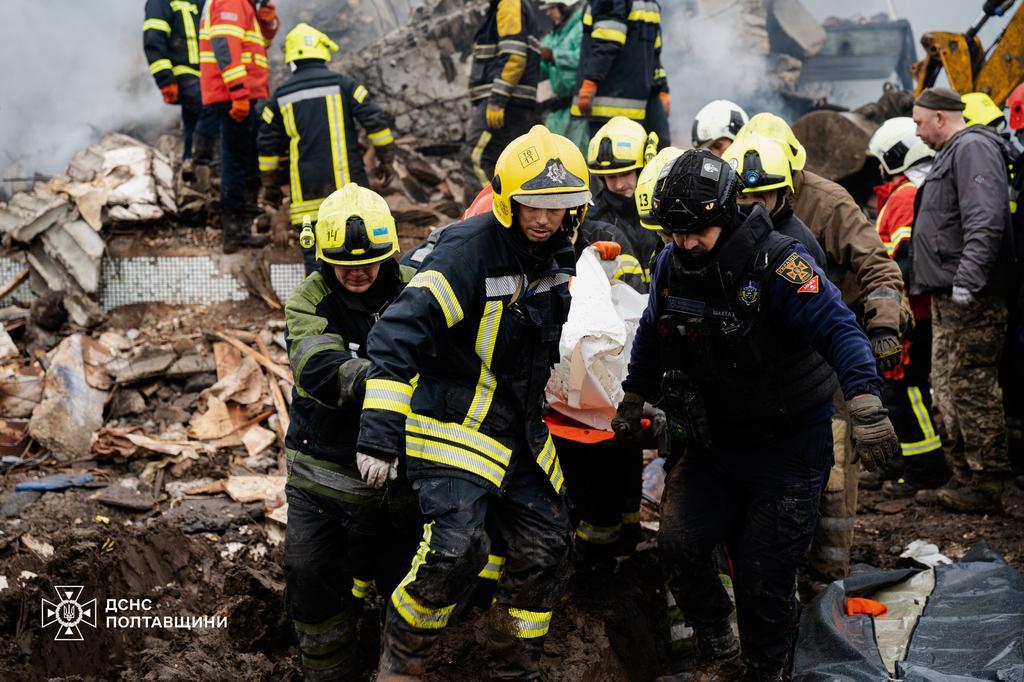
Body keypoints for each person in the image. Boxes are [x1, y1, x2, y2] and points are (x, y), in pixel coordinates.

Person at [613, 149, 896, 680]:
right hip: (714, 444)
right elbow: (653, 330)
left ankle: (768, 669)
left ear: (725, 215)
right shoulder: (670, 263)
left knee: (764, 576)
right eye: (674, 233)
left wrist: (863, 399)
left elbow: (839, 328)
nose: (686, 243)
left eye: (696, 232)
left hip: (787, 445)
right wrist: (634, 395)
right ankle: (717, 636)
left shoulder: (779, 263)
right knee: (678, 546)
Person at [355, 125, 590, 679]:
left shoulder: (559, 254)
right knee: (457, 550)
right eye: (532, 205)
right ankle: (402, 664)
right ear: (508, 200)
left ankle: (511, 667)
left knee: (547, 547)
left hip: (520, 435)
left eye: (556, 208)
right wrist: (378, 436)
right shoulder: (467, 254)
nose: (543, 219)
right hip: (455, 424)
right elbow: (393, 336)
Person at [737, 112, 907, 584]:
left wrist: (884, 327)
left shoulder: (828, 203)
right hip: (766, 359)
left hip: (827, 351)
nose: (755, 203)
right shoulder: (732, 201)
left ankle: (827, 579)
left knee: (832, 475)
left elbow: (878, 265)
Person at [282, 183, 420, 680]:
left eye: (370, 261)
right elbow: (318, 368)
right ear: (322, 257)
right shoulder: (308, 300)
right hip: (323, 476)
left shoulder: (417, 287)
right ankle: (329, 671)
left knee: (407, 585)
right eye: (344, 263)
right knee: (310, 575)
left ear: (391, 253)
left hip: (400, 482)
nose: (357, 272)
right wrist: (392, 377)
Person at [911, 87, 1014, 513]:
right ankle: (965, 477)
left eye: (919, 122)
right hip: (953, 294)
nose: (915, 132)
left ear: (940, 117)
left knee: (970, 385)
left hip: (972, 297)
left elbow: (985, 218)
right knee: (949, 385)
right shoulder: (955, 152)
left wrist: (968, 281)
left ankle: (986, 482)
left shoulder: (971, 148)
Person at [257, 23, 397, 274]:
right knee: (362, 251)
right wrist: (386, 159)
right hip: (349, 192)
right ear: (323, 53)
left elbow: (267, 144)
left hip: (306, 197)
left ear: (292, 60)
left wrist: (270, 185)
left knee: (316, 261)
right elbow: (375, 120)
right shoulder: (344, 84)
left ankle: (318, 310)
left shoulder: (280, 97)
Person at [863, 117, 950, 496]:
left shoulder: (904, 195)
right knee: (897, 392)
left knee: (906, 391)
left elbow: (900, 260)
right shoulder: (913, 189)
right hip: (915, 308)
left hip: (910, 312)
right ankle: (900, 461)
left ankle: (925, 470)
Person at [198, 0, 279, 252]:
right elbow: (225, 46)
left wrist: (265, 23)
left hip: (239, 94)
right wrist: (238, 92)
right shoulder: (231, 1)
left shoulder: (244, 6)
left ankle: (244, 217)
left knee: (244, 157)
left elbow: (257, 47)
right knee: (235, 161)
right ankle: (234, 232)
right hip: (232, 96)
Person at [143, 0, 219, 191]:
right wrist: (165, 79)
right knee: (210, 106)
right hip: (182, 73)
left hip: (206, 74)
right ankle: (200, 162)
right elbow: (153, 38)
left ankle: (189, 178)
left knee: (192, 121)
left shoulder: (201, 2)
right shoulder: (161, 2)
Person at [571, 0, 670, 146]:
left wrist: (662, 88)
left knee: (654, 155)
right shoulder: (649, 3)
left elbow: (653, 53)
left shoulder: (650, 3)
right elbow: (608, 41)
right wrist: (590, 82)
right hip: (616, 105)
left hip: (622, 103)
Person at [722, 132, 827, 268]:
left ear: (782, 192)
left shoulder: (798, 249)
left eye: (760, 198)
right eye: (741, 197)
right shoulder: (724, 231)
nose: (749, 205)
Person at [467, 0, 542, 188]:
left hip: (505, 101)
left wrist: (497, 100)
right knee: (510, 164)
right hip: (512, 101)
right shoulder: (503, 7)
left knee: (476, 157)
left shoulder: (509, 3)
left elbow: (514, 57)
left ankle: (490, 212)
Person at [587, 116, 662, 283]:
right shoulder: (593, 219)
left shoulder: (661, 210)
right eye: (611, 177)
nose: (619, 185)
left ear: (642, 169)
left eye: (626, 174)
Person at [538, 0, 590, 153]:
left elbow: (584, 58)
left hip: (577, 109)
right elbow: (543, 69)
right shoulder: (554, 35)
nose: (548, 13)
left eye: (552, 8)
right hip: (556, 112)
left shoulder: (581, 28)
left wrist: (554, 55)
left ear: (565, 6)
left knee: (578, 158)